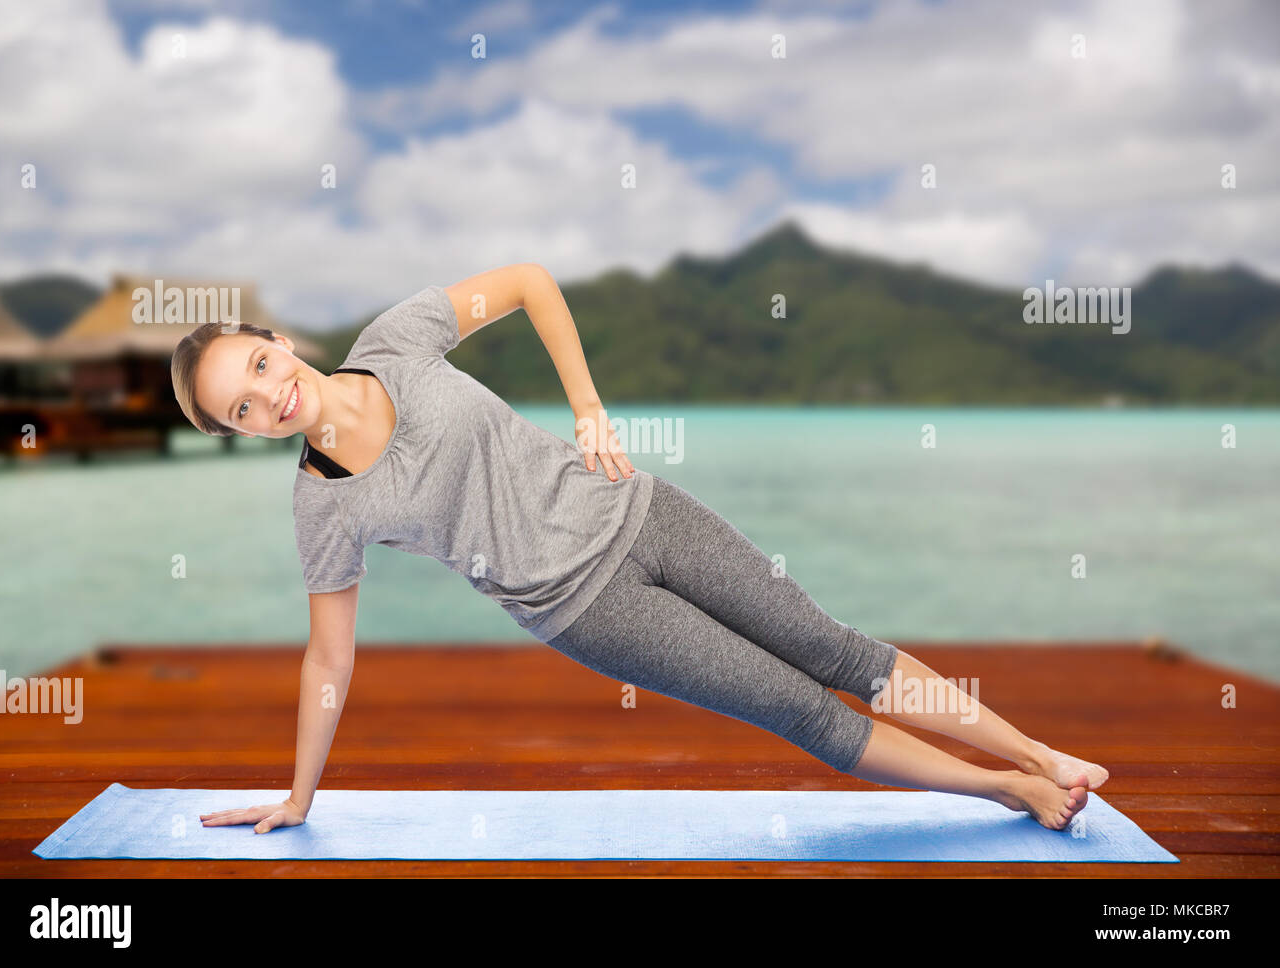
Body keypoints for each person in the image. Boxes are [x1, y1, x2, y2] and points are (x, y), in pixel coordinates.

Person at [171, 263, 1105, 837]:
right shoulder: (321, 508)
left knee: (836, 651)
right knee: (799, 711)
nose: (268, 396)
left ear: (276, 341)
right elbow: (329, 657)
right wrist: (299, 797)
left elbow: (531, 280)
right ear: (239, 433)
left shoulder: (396, 340)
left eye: (257, 366)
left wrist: (586, 407)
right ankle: (1006, 792)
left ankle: (1043, 755)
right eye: (239, 409)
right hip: (585, 610)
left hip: (646, 510)